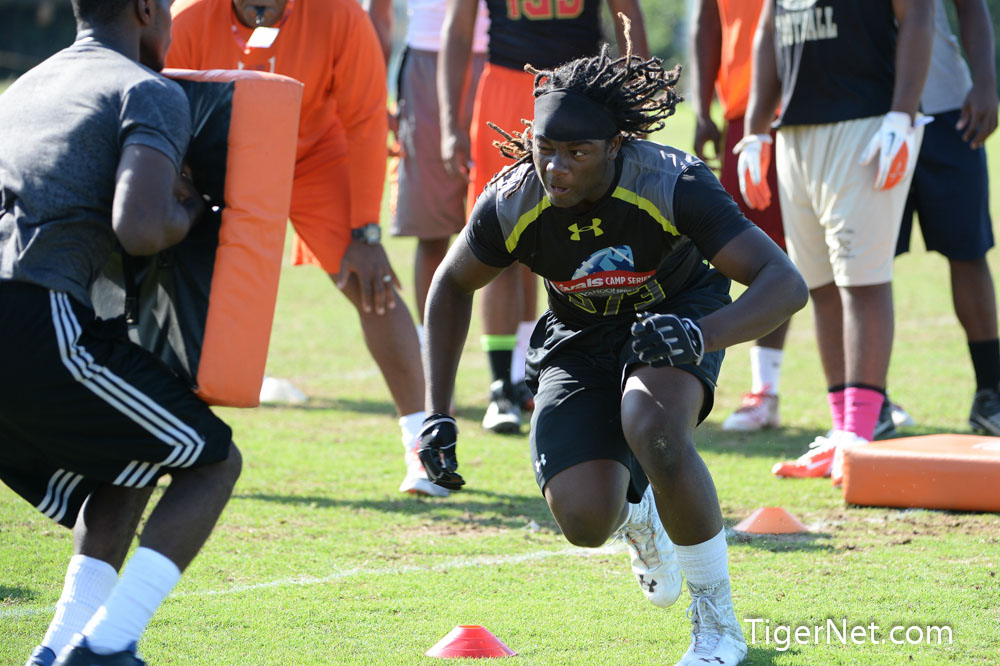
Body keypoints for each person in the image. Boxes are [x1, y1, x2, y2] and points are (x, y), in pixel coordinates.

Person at [418, 28, 808, 665]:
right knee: (584, 519)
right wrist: (437, 411)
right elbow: (450, 285)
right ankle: (641, 513)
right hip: (578, 336)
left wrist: (698, 335)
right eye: (546, 149)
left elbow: (783, 283)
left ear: (617, 145)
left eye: (577, 151)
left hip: (676, 317)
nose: (556, 167)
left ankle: (717, 625)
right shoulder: (513, 200)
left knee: (651, 421)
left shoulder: (672, 182)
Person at [1, 1, 243, 665]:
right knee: (213, 461)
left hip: (26, 304)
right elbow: (141, 226)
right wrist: (191, 210)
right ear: (144, 9)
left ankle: (56, 650)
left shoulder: (30, 83)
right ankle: (107, 646)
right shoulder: (145, 86)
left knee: (129, 457)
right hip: (30, 308)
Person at [167, 0, 444, 497]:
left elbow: (362, 120)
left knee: (371, 285)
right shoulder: (188, 17)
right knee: (173, 291)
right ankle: (169, 435)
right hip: (216, 165)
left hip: (312, 157)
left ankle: (423, 444)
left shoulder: (339, 16)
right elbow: (161, 110)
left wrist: (365, 232)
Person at [743, 0, 933, 483]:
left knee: (861, 279)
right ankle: (841, 430)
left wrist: (901, 114)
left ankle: (861, 433)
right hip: (796, 130)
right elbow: (769, 27)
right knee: (820, 284)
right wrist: (755, 130)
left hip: (866, 120)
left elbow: (919, 14)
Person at [438, 0, 649, 434]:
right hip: (506, 86)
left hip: (581, 89)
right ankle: (503, 383)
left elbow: (627, 17)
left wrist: (634, 101)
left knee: (592, 240)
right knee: (500, 237)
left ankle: (568, 371)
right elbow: (458, 32)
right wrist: (449, 121)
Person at [896, 0, 1000, 435]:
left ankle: (990, 392)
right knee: (863, 263)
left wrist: (985, 82)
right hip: (862, 114)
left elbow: (970, 6)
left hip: (945, 108)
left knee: (968, 251)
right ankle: (868, 400)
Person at [689, 0, 791, 432]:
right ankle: (763, 389)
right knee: (753, 255)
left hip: (831, 108)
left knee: (842, 258)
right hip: (745, 114)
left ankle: (864, 396)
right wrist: (700, 107)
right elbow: (708, 24)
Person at [366, 0, 489, 346]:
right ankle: (429, 358)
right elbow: (379, 11)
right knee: (431, 228)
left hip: (503, 59)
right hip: (426, 62)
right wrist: (377, 95)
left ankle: (516, 367)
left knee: (521, 221)